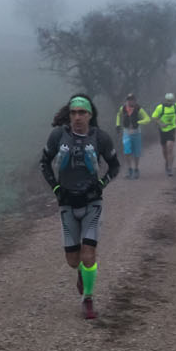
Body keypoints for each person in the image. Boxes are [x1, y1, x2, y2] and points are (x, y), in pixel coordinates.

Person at [39, 93, 119, 320]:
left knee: (88, 254)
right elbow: (44, 162)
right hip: (66, 203)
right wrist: (56, 188)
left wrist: (102, 184)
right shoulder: (58, 135)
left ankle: (88, 299)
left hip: (92, 203)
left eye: (82, 112)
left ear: (90, 115)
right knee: (73, 260)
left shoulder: (100, 137)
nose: (77, 117)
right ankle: (83, 273)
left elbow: (114, 166)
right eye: (73, 112)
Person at [112, 92, 152, 178]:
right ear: (127, 100)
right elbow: (118, 115)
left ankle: (136, 169)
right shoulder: (123, 108)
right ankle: (130, 169)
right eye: (129, 100)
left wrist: (138, 122)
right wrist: (117, 124)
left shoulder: (138, 109)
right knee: (127, 151)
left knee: (137, 153)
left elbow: (148, 119)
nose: (130, 101)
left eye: (132, 100)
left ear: (135, 100)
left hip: (136, 133)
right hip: (126, 132)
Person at [151, 92, 176, 177]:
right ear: (165, 100)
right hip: (162, 130)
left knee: (170, 147)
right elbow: (154, 117)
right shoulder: (160, 108)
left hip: (172, 128)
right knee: (164, 149)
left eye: (171, 101)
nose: (170, 102)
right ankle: (167, 161)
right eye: (168, 101)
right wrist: (161, 123)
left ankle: (170, 167)